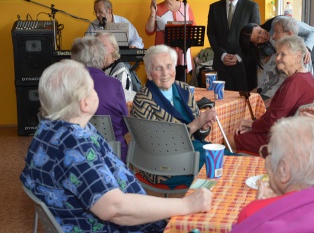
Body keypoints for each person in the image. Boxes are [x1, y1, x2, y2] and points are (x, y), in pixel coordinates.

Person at [20, 59, 212, 232]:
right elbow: (114, 209)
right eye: (93, 88)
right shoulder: (74, 144)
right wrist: (187, 205)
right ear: (85, 103)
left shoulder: (46, 131)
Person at [131, 44, 235, 189]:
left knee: (230, 158)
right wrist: (195, 124)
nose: (165, 73)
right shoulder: (143, 99)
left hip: (193, 151)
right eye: (157, 68)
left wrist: (203, 127)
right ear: (148, 74)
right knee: (224, 164)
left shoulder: (183, 89)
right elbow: (156, 145)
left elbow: (198, 134)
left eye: (169, 66)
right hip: (163, 165)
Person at [233, 35, 314, 154]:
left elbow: (274, 119)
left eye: (283, 54)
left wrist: (252, 125)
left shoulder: (295, 82)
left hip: (284, 141)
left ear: (298, 55)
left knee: (229, 137)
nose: (277, 58)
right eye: (277, 54)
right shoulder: (306, 77)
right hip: (289, 134)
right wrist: (253, 125)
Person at [70, 36, 129, 162]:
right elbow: (125, 124)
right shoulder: (115, 84)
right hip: (112, 152)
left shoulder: (66, 83)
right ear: (101, 59)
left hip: (76, 150)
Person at [207, 0, 261, 91]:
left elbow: (256, 36)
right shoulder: (214, 7)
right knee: (222, 102)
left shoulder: (251, 7)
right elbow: (211, 34)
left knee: (244, 104)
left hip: (244, 66)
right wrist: (223, 54)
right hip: (222, 65)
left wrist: (239, 56)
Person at [145, 0, 196, 81]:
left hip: (182, 53)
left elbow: (193, 27)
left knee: (181, 83)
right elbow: (149, 31)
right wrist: (152, 13)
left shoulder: (186, 7)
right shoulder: (158, 8)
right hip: (164, 53)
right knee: (165, 83)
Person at [96, 32, 141, 102]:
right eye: (96, 46)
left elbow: (119, 101)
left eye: (103, 46)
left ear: (112, 49)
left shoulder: (120, 70)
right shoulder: (95, 67)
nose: (98, 49)